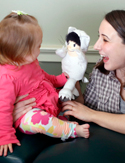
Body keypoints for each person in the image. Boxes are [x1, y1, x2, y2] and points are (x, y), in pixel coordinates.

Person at [13, 9, 125, 138]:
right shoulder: (101, 69)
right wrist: (73, 75)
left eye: (105, 39)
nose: (96, 46)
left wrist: (92, 115)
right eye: (98, 36)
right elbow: (84, 106)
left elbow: (88, 112)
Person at [0, 11, 90, 157]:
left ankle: (59, 122)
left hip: (43, 100)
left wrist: (60, 79)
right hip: (26, 115)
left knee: (66, 103)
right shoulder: (6, 77)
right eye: (38, 46)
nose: (40, 50)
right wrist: (4, 135)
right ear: (22, 52)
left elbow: (43, 77)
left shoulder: (29, 62)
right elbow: (2, 109)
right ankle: (71, 130)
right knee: (39, 120)